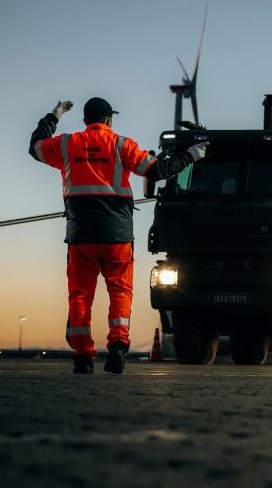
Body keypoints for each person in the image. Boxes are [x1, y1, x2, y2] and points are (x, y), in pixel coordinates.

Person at [29, 98, 208, 374]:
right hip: (117, 236)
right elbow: (159, 170)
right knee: (120, 292)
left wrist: (55, 114)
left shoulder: (66, 144)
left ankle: (83, 356)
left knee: (80, 295)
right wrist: (191, 156)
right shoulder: (122, 145)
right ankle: (117, 346)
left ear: (86, 120)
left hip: (81, 236)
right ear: (109, 120)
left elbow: (36, 147)